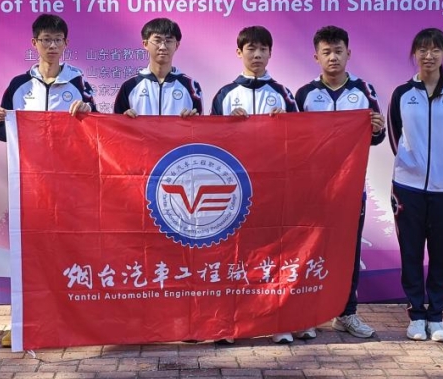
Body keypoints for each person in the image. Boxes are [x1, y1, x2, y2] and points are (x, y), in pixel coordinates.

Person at [0, 14, 95, 347]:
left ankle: (72, 321)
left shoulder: (79, 84)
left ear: (66, 44)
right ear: (34, 43)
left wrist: (87, 114)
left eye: (57, 40)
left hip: (68, 184)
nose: (51, 46)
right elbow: (3, 132)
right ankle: (22, 323)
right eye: (45, 39)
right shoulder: (19, 85)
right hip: (28, 184)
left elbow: (96, 132)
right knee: (27, 255)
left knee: (68, 252)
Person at [293, 25, 386, 341]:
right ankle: (306, 314)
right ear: (316, 57)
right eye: (326, 52)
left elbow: (376, 137)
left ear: (348, 53)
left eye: (338, 51)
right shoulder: (304, 94)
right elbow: (294, 142)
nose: (333, 57)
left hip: (351, 187)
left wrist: (377, 128)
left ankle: (346, 314)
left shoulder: (364, 91)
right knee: (310, 249)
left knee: (348, 250)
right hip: (314, 190)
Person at [211, 25, 298, 345]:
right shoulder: (224, 95)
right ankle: (230, 324)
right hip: (234, 191)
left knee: (274, 254)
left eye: (263, 49)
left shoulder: (284, 95)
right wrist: (227, 126)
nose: (257, 54)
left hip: (273, 188)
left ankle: (278, 321)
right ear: (239, 52)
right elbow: (210, 145)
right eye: (251, 48)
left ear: (271, 53)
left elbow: (302, 141)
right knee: (232, 256)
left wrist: (286, 125)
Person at [388, 28, 443, 342]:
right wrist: (413, 164)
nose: (429, 56)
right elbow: (395, 136)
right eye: (422, 49)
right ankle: (416, 314)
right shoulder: (402, 94)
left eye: (435, 49)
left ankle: (436, 316)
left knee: (441, 253)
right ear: (414, 54)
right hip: (407, 188)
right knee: (410, 252)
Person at [113, 18, 202, 117]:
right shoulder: (129, 86)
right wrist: (125, 119)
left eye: (168, 41)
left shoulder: (191, 86)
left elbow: (201, 124)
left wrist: (194, 121)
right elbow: (116, 124)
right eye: (157, 41)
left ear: (177, 45)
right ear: (145, 44)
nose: (163, 47)